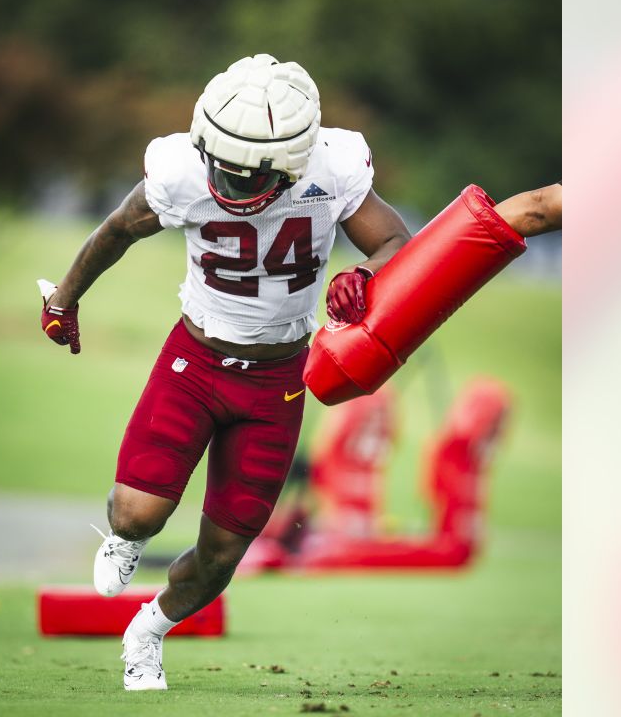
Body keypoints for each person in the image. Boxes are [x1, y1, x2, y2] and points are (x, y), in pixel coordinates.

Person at [40, 53, 560, 691]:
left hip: (278, 378)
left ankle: (147, 628)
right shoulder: (181, 174)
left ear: (290, 163)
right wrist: (62, 299)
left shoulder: (331, 169)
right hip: (195, 360)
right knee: (137, 515)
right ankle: (124, 540)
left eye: (244, 173)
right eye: (221, 168)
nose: (227, 185)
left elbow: (394, 243)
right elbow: (116, 230)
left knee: (226, 550)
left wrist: (362, 276)